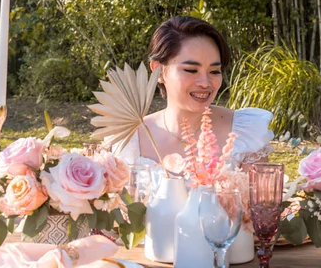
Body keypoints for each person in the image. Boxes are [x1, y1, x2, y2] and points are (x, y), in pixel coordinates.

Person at [115, 16, 274, 173]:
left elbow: (260, 198)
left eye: (214, 71)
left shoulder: (244, 133)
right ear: (159, 71)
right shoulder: (130, 139)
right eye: (191, 70)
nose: (205, 83)